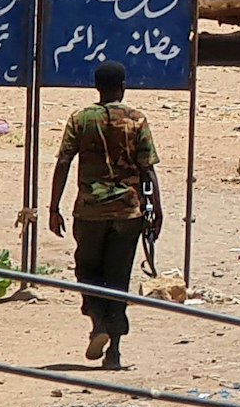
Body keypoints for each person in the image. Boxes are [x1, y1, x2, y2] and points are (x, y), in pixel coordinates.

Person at [48, 61, 162, 369]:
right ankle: (114, 352)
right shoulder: (136, 120)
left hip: (90, 211)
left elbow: (63, 163)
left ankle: (98, 321)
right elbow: (147, 169)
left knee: (87, 272)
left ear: (96, 87)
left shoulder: (81, 120)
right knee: (118, 279)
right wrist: (157, 210)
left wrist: (53, 208)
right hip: (128, 211)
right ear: (122, 86)